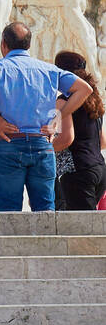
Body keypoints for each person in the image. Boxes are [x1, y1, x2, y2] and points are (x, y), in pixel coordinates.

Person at [0, 22, 91, 211]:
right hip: (42, 146)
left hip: (9, 144)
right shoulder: (48, 70)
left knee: (8, 213)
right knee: (45, 211)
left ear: (3, 44)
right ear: (29, 45)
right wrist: (58, 117)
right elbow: (85, 89)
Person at [52, 51, 106, 211]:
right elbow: (102, 141)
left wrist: (43, 149)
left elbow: (66, 139)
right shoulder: (95, 101)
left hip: (78, 171)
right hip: (100, 169)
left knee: (82, 232)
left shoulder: (63, 101)